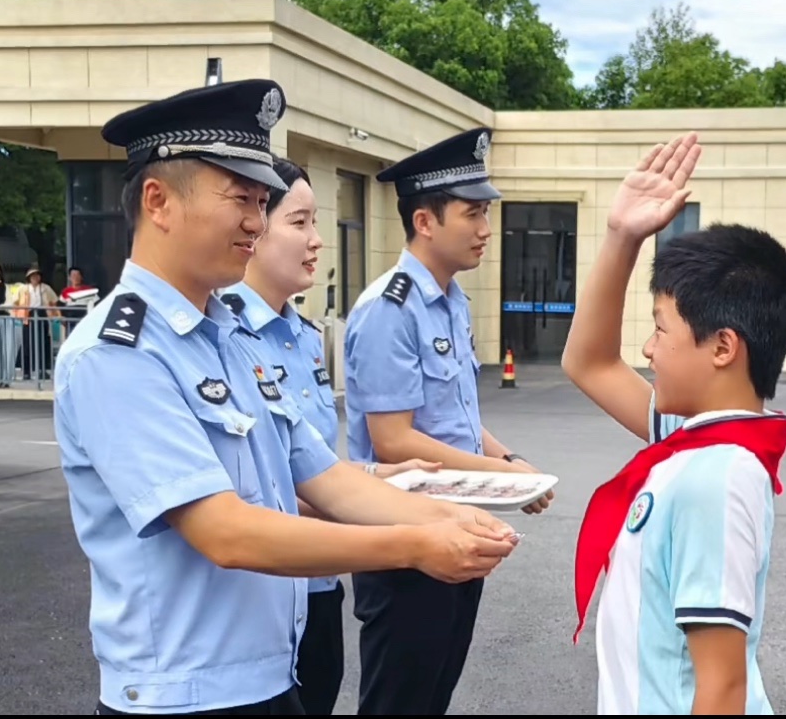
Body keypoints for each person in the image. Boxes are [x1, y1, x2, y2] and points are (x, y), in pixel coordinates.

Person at [53, 79, 519, 716]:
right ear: (158, 201)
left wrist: (446, 519)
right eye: (241, 197)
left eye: (262, 199)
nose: (255, 220)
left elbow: (327, 478)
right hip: (184, 699)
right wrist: (415, 545)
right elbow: (226, 533)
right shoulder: (119, 353)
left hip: (270, 679)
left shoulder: (228, 338)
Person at [561, 133, 786, 715]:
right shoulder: (695, 442)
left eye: (660, 328)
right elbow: (588, 362)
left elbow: (722, 688)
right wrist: (622, 237)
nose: (647, 348)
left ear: (722, 347)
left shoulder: (716, 477)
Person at [217, 156, 441, 715]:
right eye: (299, 222)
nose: (317, 240)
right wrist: (404, 529)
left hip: (318, 586)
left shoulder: (300, 333)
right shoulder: (225, 339)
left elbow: (307, 462)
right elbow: (252, 493)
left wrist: (378, 478)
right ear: (254, 229)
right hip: (268, 585)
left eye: (315, 222)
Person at [342, 126, 554, 715]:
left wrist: (509, 461)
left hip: (458, 522)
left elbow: (457, 416)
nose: (486, 229)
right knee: (399, 700)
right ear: (425, 221)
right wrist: (504, 476)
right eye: (473, 213)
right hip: (405, 534)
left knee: (432, 695)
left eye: (486, 213)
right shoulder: (390, 310)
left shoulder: (450, 299)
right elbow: (393, 440)